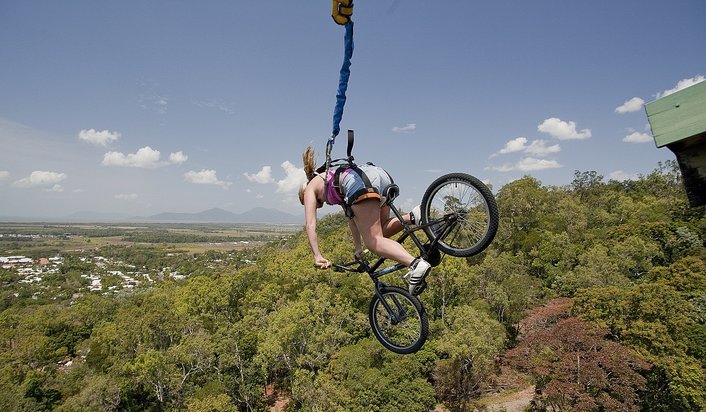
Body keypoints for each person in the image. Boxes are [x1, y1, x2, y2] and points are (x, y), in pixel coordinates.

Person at [298, 146, 431, 295]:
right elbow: (352, 218)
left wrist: (317, 256)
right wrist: (358, 248)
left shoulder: (309, 189)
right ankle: (413, 216)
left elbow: (310, 225)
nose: (319, 205)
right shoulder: (331, 179)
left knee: (374, 242)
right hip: (378, 175)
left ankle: (415, 264)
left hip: (360, 183)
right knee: (381, 232)